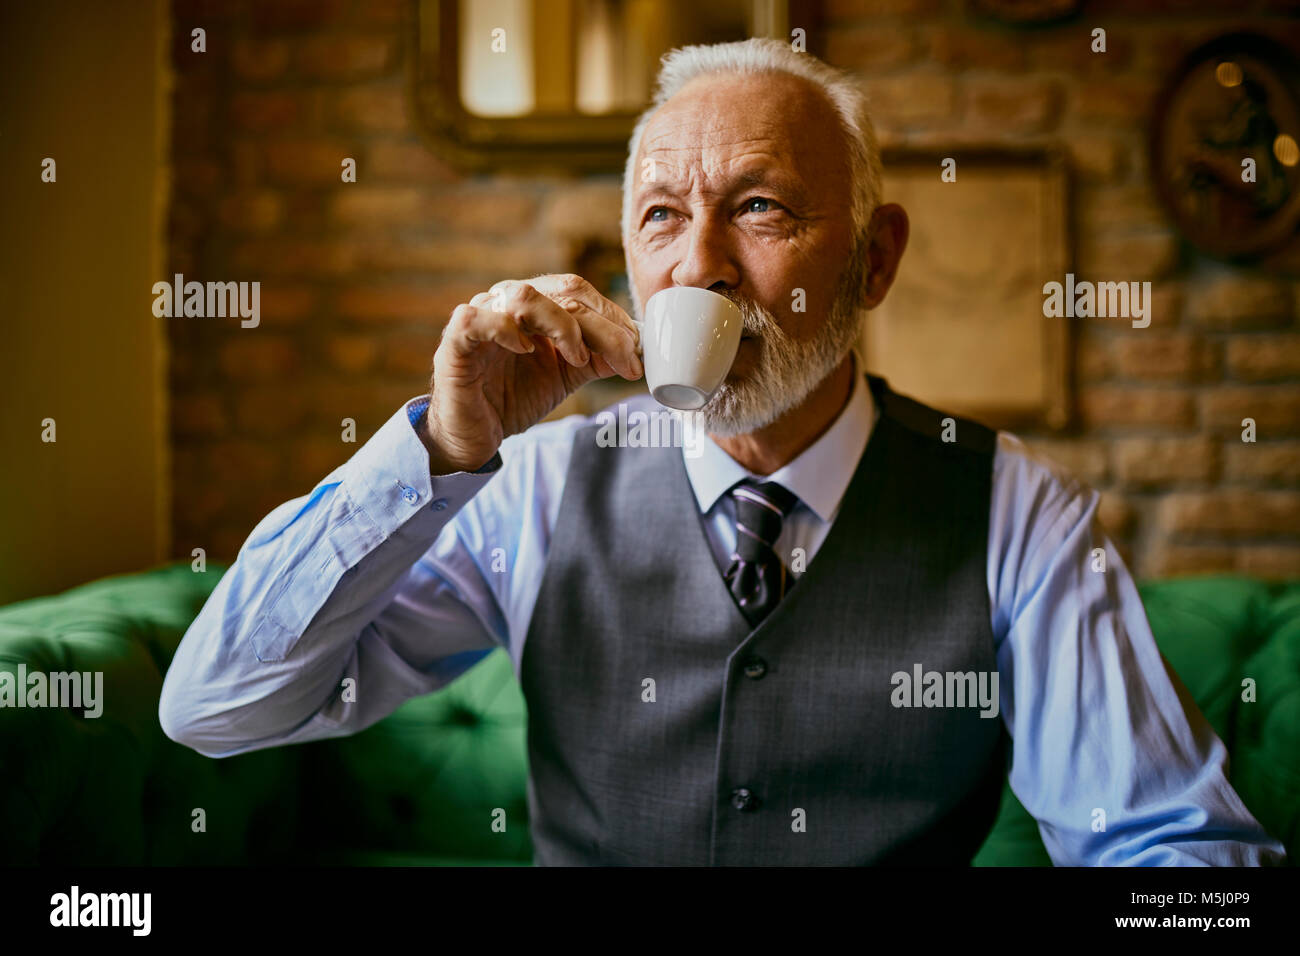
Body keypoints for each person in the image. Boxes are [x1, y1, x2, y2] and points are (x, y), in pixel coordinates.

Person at [160, 38, 1286, 866]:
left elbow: (1178, 852)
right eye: (658, 217)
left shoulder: (1013, 512)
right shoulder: (533, 489)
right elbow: (215, 706)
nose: (697, 266)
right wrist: (443, 445)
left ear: (873, 261)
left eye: (758, 207)